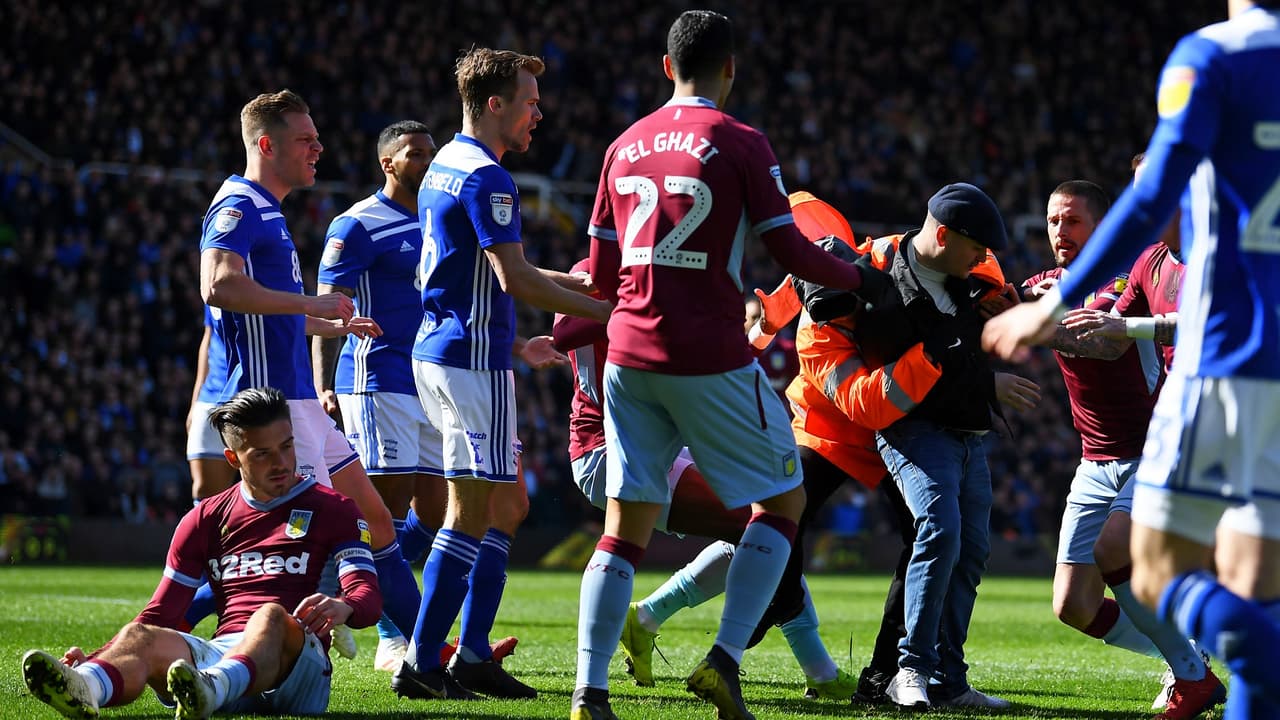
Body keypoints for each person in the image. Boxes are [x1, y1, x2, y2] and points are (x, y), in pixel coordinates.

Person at [983, 3, 1280, 716]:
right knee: (1251, 582)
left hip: (1227, 358)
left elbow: (1149, 202)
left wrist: (1059, 314)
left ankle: (1218, 668)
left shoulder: (1213, 55)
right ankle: (1226, 670)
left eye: (1069, 219)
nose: (1058, 231)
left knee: (1152, 568)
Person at [573, 11, 868, 720]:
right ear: (730, 69)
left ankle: (589, 693)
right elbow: (793, 253)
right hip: (706, 355)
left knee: (624, 526)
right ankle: (723, 661)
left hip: (629, 357)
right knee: (785, 501)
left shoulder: (623, 144)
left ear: (666, 67)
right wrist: (862, 277)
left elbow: (602, 274)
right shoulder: (739, 140)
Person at [393, 47, 612, 703]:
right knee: (469, 516)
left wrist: (582, 285)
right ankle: (424, 662)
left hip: (443, 354)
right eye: (529, 101)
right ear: (495, 104)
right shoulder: (488, 178)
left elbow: (496, 274)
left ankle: (468, 655)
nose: (538, 113)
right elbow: (513, 278)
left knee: (497, 508)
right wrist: (607, 310)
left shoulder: (445, 168)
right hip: (469, 361)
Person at [553, 257, 857, 703]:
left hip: (648, 441)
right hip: (610, 447)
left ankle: (636, 635)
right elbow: (569, 333)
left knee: (767, 520)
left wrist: (763, 330)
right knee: (765, 522)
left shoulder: (629, 276)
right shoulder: (618, 279)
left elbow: (706, 364)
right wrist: (637, 305)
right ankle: (814, 669)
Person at [313, 120, 545, 673]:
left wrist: (514, 345)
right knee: (386, 512)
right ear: (387, 163)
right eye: (414, 153)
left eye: (430, 152)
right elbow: (326, 306)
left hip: (431, 375)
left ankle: (358, 605)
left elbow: (449, 303)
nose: (426, 160)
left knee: (441, 512)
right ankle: (390, 630)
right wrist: (323, 382)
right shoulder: (356, 225)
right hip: (376, 382)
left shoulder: (437, 214)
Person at [198, 89, 422, 660]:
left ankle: (429, 649)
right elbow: (218, 286)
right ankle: (174, 626)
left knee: (378, 520)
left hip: (299, 402)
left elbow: (274, 318)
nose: (318, 148)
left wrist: (334, 324)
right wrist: (307, 305)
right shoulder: (239, 206)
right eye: (305, 139)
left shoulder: (269, 210)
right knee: (325, 533)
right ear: (266, 144)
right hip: (277, 409)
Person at [20, 386, 382, 719]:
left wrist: (343, 606)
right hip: (224, 657)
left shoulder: (334, 508)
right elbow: (161, 612)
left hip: (299, 669)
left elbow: (367, 596)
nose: (282, 463)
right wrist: (101, 654)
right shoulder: (205, 518)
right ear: (232, 458)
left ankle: (212, 689)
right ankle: (85, 686)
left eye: (287, 446)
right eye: (263, 454)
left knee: (270, 615)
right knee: (140, 635)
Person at [1022, 180, 1223, 719]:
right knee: (1073, 606)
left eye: (1073, 221)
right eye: (1053, 221)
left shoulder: (1123, 277)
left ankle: (1192, 670)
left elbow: (1107, 345)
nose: (1060, 233)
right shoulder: (1044, 283)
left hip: (1152, 451)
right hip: (1094, 461)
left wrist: (1039, 322)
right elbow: (1002, 309)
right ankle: (1189, 658)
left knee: (1119, 550)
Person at [842, 183, 1038, 711]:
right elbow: (910, 374)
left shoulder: (969, 277)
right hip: (915, 429)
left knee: (971, 550)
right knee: (941, 529)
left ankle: (949, 679)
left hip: (969, 433)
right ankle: (911, 669)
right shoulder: (885, 283)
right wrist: (987, 386)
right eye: (975, 247)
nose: (984, 257)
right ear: (944, 234)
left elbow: (965, 352)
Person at [186, 307, 237, 501]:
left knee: (267, 492)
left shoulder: (265, 279)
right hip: (211, 399)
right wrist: (196, 400)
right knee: (205, 495)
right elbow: (209, 338)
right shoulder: (210, 283)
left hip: (253, 397)